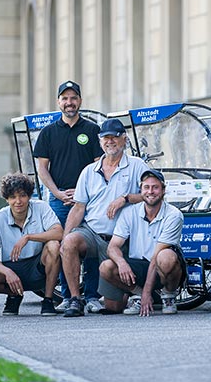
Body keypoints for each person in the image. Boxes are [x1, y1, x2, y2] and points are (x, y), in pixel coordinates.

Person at [60, 118, 149, 317]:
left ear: (124, 140)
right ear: (99, 142)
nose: (110, 142)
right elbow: (78, 208)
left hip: (121, 240)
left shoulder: (137, 165)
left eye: (115, 137)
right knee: (70, 242)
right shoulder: (88, 171)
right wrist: (64, 238)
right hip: (92, 233)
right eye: (105, 138)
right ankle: (75, 299)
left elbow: (151, 194)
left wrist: (125, 198)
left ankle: (139, 294)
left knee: (113, 308)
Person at [33, 80, 104, 313]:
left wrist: (83, 193)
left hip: (89, 201)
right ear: (58, 102)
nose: (69, 102)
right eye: (65, 98)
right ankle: (67, 295)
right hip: (59, 201)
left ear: (80, 101)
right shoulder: (48, 133)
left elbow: (98, 166)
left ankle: (92, 296)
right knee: (64, 245)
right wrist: (57, 193)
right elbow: (42, 169)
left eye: (73, 98)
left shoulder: (93, 130)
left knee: (91, 245)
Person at [99, 169, 186, 316]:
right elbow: (112, 247)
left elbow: (156, 256)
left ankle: (168, 295)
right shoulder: (129, 212)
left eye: (155, 187)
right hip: (138, 265)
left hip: (161, 267)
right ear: (141, 190)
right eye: (146, 187)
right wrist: (121, 263)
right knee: (106, 267)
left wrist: (148, 291)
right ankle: (137, 295)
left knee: (166, 257)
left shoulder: (174, 215)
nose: (150, 191)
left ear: (163, 190)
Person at [0, 173, 63, 316]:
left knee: (54, 245)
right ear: (7, 199)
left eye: (22, 195)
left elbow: (59, 233)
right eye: (13, 197)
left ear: (29, 196)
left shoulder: (41, 207)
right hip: (11, 266)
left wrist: (29, 237)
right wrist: (8, 272)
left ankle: (48, 300)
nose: (18, 201)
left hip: (37, 266)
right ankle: (14, 295)